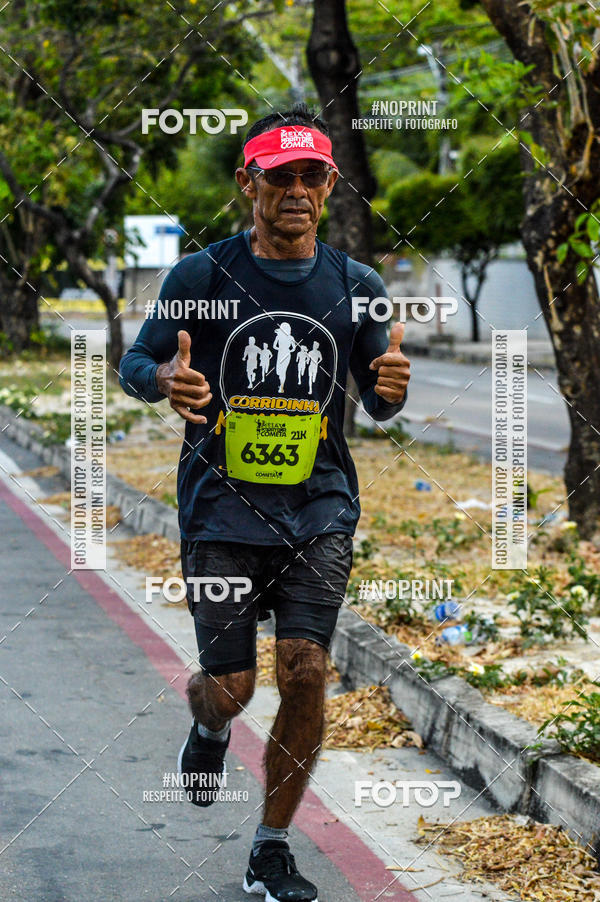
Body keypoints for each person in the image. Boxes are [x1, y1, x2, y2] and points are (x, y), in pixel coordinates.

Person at [119, 101, 410, 902]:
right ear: (249, 183)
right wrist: (163, 379)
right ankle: (209, 723)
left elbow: (378, 399)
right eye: (280, 176)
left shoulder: (356, 285)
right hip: (219, 509)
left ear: (330, 184)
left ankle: (271, 848)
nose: (297, 190)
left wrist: (390, 387)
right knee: (235, 686)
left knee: (306, 670)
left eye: (312, 175)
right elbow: (136, 361)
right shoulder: (202, 276)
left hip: (319, 508)